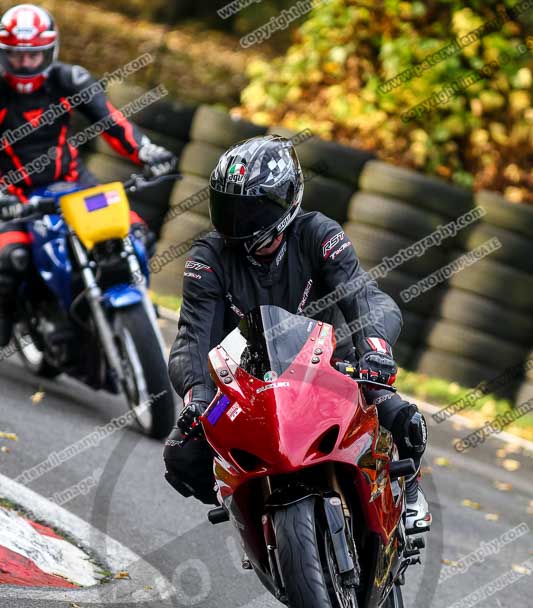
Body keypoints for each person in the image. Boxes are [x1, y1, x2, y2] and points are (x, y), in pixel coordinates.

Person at [164, 134, 431, 534]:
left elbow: (364, 296)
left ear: (284, 199)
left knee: (402, 418)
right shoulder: (207, 258)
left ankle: (408, 490)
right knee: (180, 456)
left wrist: (374, 350)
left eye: (251, 208)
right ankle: (248, 508)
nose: (238, 220)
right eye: (229, 205)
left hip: (333, 367)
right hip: (247, 382)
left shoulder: (319, 233)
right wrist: (196, 397)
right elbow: (191, 337)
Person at [0, 3, 177, 347]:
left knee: (138, 233)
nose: (25, 65)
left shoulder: (69, 80)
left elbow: (112, 121)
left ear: (49, 51)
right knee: (9, 260)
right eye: (16, 56)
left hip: (74, 187)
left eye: (33, 56)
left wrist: (146, 151)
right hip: (14, 198)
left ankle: (137, 303)